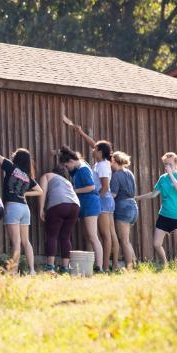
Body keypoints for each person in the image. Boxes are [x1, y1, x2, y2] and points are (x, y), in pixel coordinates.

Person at [0, 139, 43, 274]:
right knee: (26, 241)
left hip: (13, 207)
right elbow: (40, 191)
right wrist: (25, 193)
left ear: (17, 158)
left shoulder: (10, 166)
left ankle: (13, 272)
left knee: (15, 242)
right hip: (25, 208)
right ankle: (32, 270)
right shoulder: (27, 176)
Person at [64, 115, 119, 271]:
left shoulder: (102, 165)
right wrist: (80, 132)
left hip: (103, 197)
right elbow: (94, 144)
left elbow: (104, 186)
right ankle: (106, 265)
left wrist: (95, 197)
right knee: (106, 233)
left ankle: (107, 266)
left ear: (101, 152)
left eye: (96, 150)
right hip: (103, 198)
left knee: (105, 234)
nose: (93, 150)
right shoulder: (103, 161)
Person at [136, 152, 177, 264]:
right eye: (165, 164)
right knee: (156, 243)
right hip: (164, 214)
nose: (167, 166)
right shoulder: (162, 178)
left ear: (175, 163)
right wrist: (138, 198)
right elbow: (153, 194)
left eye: (169, 164)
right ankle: (165, 263)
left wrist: (171, 175)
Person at [60, 146, 104, 272]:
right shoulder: (77, 167)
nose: (67, 169)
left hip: (90, 203)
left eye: (67, 166)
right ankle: (89, 265)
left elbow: (91, 187)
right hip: (83, 203)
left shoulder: (83, 169)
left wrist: (74, 190)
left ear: (71, 162)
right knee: (87, 236)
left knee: (93, 236)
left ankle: (99, 266)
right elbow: (68, 153)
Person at [37, 164, 80, 272]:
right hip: (75, 206)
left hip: (58, 205)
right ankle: (65, 267)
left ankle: (50, 267)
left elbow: (42, 192)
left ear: (54, 171)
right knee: (65, 237)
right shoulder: (67, 182)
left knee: (52, 235)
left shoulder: (47, 176)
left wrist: (41, 209)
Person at [109, 151, 138, 268]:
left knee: (124, 241)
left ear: (114, 161)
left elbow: (114, 194)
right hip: (133, 207)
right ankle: (135, 265)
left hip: (123, 208)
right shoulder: (129, 173)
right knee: (127, 240)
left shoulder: (116, 175)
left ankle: (129, 267)